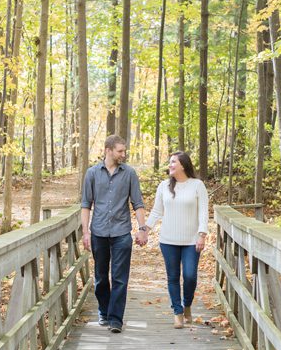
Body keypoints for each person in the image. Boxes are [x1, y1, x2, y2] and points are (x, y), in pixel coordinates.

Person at [81, 135, 148, 333]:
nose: (123, 154)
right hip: (98, 232)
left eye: (124, 150)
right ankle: (104, 310)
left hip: (121, 232)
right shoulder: (92, 173)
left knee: (120, 277)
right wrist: (85, 232)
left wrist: (142, 228)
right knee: (101, 276)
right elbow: (86, 204)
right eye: (120, 151)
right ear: (108, 150)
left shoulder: (129, 173)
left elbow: (138, 203)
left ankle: (116, 318)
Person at [146, 152, 209, 329]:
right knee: (173, 277)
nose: (170, 165)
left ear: (183, 165)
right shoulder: (164, 186)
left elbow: (203, 211)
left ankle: (187, 303)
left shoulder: (197, 185)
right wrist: (145, 229)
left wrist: (202, 234)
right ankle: (177, 312)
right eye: (170, 162)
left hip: (191, 240)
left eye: (173, 162)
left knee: (190, 276)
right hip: (168, 240)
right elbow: (157, 211)